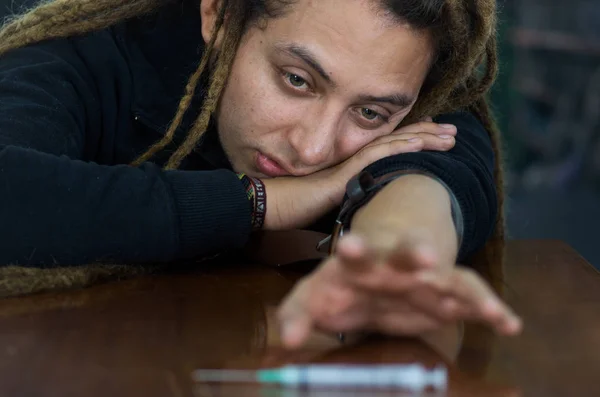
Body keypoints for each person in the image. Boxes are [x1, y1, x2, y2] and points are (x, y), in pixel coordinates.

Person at [0, 0, 522, 347]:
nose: (313, 146)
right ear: (221, 15)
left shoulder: (415, 98)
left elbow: (431, 176)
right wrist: (264, 201)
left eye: (368, 114)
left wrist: (391, 253)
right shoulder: (87, 53)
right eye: (297, 80)